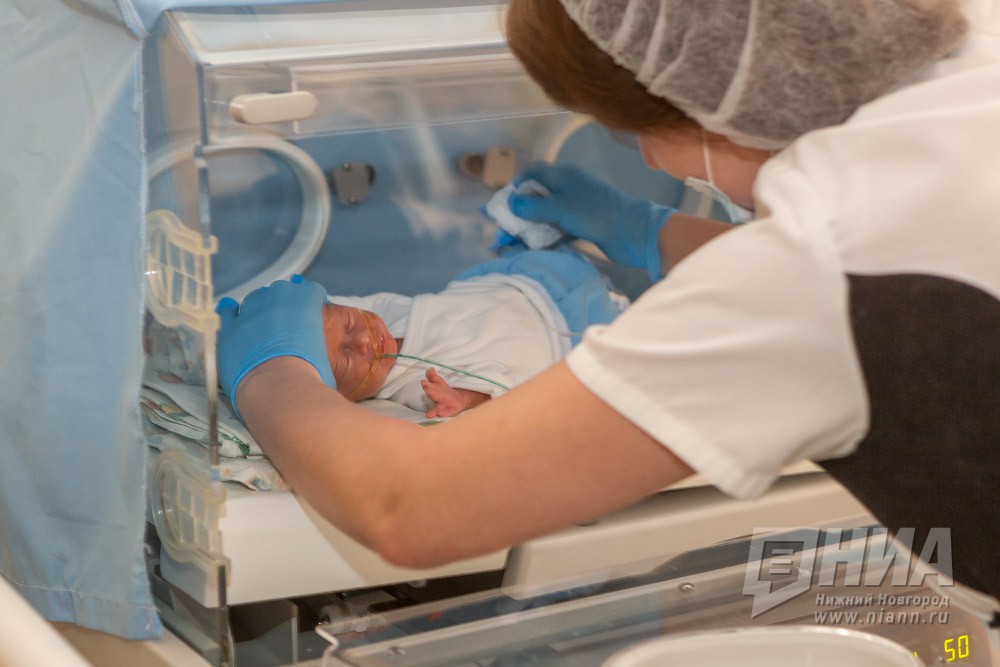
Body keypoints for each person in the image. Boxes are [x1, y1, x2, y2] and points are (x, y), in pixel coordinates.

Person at [215, 0, 1000, 615]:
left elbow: (406, 508)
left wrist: (273, 370)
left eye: (628, 133)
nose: (648, 159)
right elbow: (853, 257)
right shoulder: (970, 51)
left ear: (707, 97)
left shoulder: (812, 278)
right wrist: (647, 230)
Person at [320, 244, 626, 417]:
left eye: (348, 324)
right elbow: (489, 383)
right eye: (345, 359)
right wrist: (461, 398)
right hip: (560, 338)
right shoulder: (410, 386)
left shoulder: (378, 313)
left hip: (524, 287)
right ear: (346, 397)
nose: (362, 340)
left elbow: (325, 303)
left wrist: (299, 299)